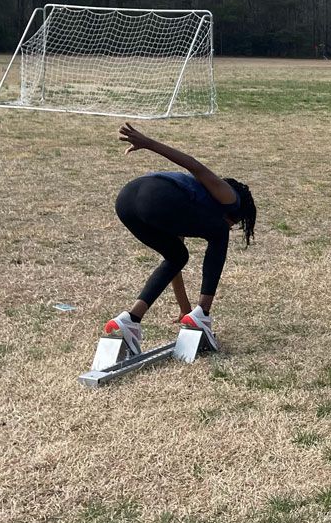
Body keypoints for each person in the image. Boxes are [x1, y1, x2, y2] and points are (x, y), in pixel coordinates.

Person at [103, 124, 257, 356]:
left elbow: (176, 265)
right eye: (234, 223)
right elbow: (192, 164)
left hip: (126, 201)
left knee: (176, 255)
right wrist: (148, 143)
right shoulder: (230, 197)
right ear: (236, 215)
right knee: (218, 232)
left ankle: (131, 319)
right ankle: (204, 312)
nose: (230, 226)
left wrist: (185, 311)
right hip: (155, 198)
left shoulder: (188, 207)